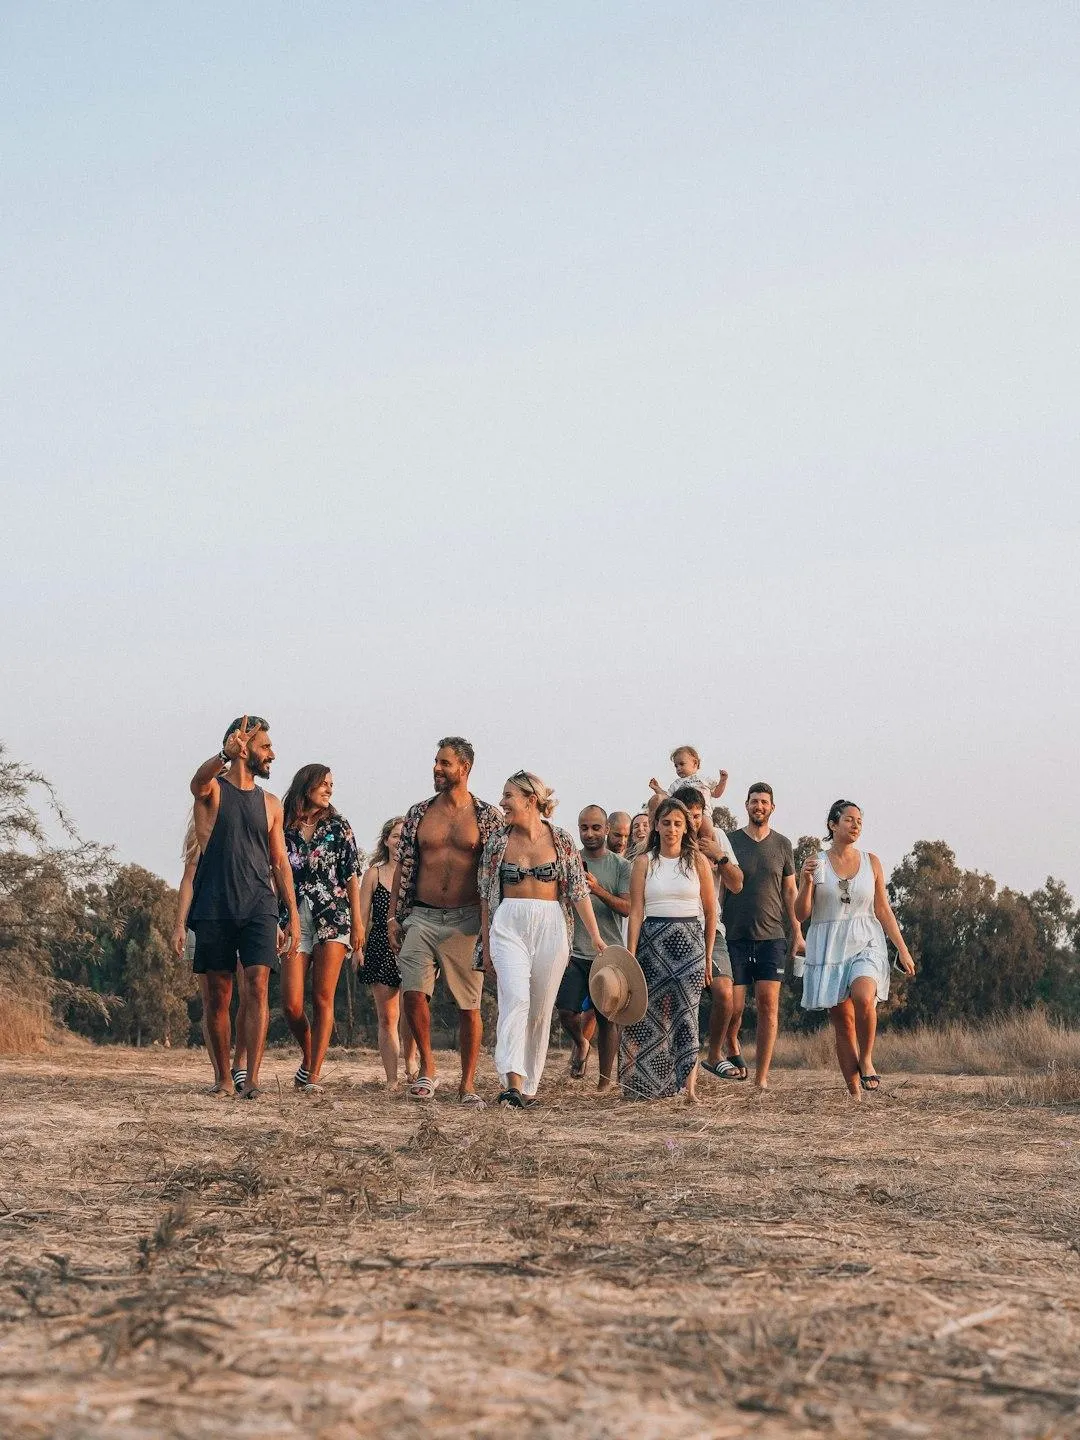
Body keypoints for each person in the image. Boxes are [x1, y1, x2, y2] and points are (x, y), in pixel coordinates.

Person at [189, 716, 300, 1098]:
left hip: (259, 905)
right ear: (243, 747)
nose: (273, 754)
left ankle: (251, 1079)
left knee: (257, 985)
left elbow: (280, 861)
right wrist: (223, 755)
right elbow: (196, 782)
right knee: (216, 997)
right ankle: (221, 1078)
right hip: (214, 904)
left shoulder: (271, 803)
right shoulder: (213, 792)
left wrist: (293, 914)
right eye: (265, 747)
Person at [479, 773, 607, 1108]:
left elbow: (578, 892)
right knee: (516, 999)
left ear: (530, 800)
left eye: (508, 796)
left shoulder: (561, 840)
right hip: (508, 922)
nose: (502, 802)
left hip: (551, 924)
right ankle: (511, 1079)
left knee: (539, 1008)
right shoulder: (497, 841)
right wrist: (486, 940)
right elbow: (485, 893)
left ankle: (530, 1084)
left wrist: (595, 937)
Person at [388, 737, 503, 1105]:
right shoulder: (420, 812)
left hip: (466, 918)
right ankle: (427, 1067)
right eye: (436, 762)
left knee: (469, 1004)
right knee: (412, 991)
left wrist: (490, 928)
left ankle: (467, 1084)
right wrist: (394, 915)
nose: (437, 768)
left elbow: (495, 875)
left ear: (464, 768)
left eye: (444, 763)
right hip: (420, 914)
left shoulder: (486, 816)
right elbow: (404, 865)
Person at [795, 800, 916, 1097]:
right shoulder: (816, 862)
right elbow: (801, 913)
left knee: (864, 995)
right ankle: (855, 1093)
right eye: (849, 819)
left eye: (859, 820)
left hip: (866, 938)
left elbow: (884, 909)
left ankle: (867, 1059)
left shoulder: (871, 861)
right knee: (843, 1023)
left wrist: (902, 948)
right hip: (828, 942)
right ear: (833, 825)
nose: (856, 824)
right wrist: (807, 881)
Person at [622, 797, 716, 1103]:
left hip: (690, 944)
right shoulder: (644, 862)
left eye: (678, 823)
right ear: (657, 826)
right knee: (648, 1016)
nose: (672, 829)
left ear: (686, 826)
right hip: (653, 942)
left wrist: (709, 958)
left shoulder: (698, 861)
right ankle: (645, 1085)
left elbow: (711, 912)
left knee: (687, 1015)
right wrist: (630, 956)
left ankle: (689, 1089)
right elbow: (636, 911)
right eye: (666, 823)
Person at [279, 765, 363, 1092]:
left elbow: (351, 875)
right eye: (323, 783)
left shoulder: (339, 826)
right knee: (292, 1004)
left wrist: (357, 922)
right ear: (307, 784)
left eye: (332, 784)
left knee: (323, 997)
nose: (329, 789)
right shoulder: (283, 825)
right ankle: (309, 1049)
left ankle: (312, 1075)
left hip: (333, 916)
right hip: (292, 917)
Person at [663, 788, 749, 1084]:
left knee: (725, 993)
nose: (692, 823)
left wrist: (719, 857)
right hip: (673, 928)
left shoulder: (717, 838)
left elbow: (737, 885)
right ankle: (671, 1060)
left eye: (696, 817)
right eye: (685, 818)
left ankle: (714, 1055)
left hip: (712, 928)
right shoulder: (668, 841)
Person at [722, 783, 803, 1091]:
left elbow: (790, 891)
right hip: (735, 935)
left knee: (769, 1006)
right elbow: (719, 886)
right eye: (754, 801)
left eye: (764, 802)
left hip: (772, 937)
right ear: (746, 805)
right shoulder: (730, 841)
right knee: (735, 1006)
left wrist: (797, 932)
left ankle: (761, 1077)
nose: (759, 806)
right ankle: (731, 1041)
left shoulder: (783, 844)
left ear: (772, 808)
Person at [555, 806, 631, 1089]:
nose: (589, 834)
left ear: (606, 830)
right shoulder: (569, 860)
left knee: (607, 1018)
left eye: (595, 828)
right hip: (573, 951)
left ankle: (604, 1083)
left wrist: (597, 889)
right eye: (584, 828)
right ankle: (582, 1042)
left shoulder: (622, 866)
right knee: (566, 1011)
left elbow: (629, 908)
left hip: (607, 953)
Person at [172, 817, 249, 1091]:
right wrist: (180, 924)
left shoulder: (250, 824)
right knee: (213, 1001)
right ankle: (221, 1074)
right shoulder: (200, 830)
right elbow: (188, 880)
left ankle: (240, 1064)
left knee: (250, 994)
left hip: (244, 916)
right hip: (205, 919)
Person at [357, 816, 419, 1087]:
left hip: (415, 946)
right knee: (388, 1016)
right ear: (386, 840)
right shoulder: (373, 873)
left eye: (404, 837)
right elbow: (361, 916)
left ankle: (412, 1065)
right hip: (381, 947)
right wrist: (357, 949)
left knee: (414, 1010)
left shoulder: (418, 874)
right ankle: (392, 1080)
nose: (399, 841)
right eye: (395, 836)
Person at [648, 745, 729, 807]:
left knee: (709, 829)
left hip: (703, 815)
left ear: (695, 763)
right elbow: (667, 798)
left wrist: (723, 781)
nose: (678, 768)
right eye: (676, 766)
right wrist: (657, 788)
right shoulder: (676, 784)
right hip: (683, 817)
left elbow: (716, 794)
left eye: (682, 764)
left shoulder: (704, 780)